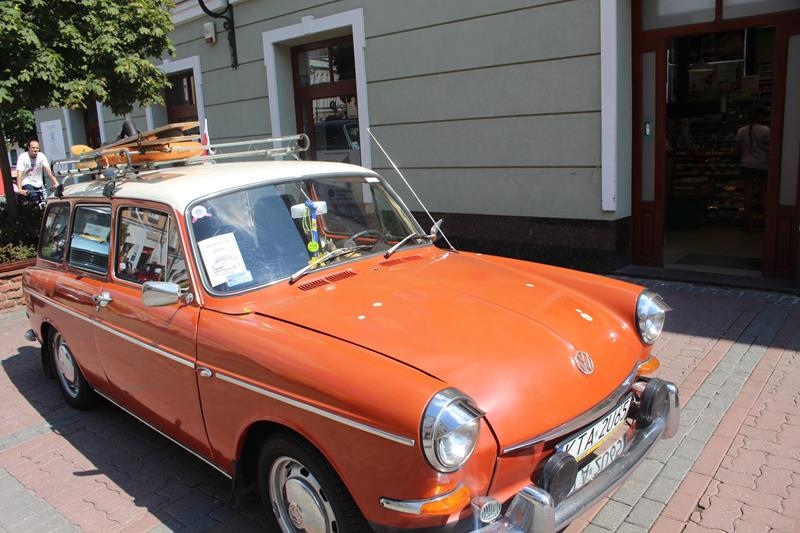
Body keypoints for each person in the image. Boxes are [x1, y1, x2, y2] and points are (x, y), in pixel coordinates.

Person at [734, 107, 769, 230]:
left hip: (746, 164)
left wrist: (745, 152)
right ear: (759, 116)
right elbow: (770, 148)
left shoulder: (741, 130)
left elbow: (736, 150)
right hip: (761, 164)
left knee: (748, 194)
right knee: (764, 194)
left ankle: (749, 224)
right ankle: (767, 223)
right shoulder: (765, 130)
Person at [15, 139, 59, 205]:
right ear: (29, 148)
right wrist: (19, 189)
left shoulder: (41, 156)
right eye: (33, 148)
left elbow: (48, 170)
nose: (35, 150)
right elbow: (19, 173)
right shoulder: (23, 157)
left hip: (39, 183)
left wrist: (55, 182)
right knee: (34, 197)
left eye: (37, 148)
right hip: (27, 182)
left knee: (43, 201)